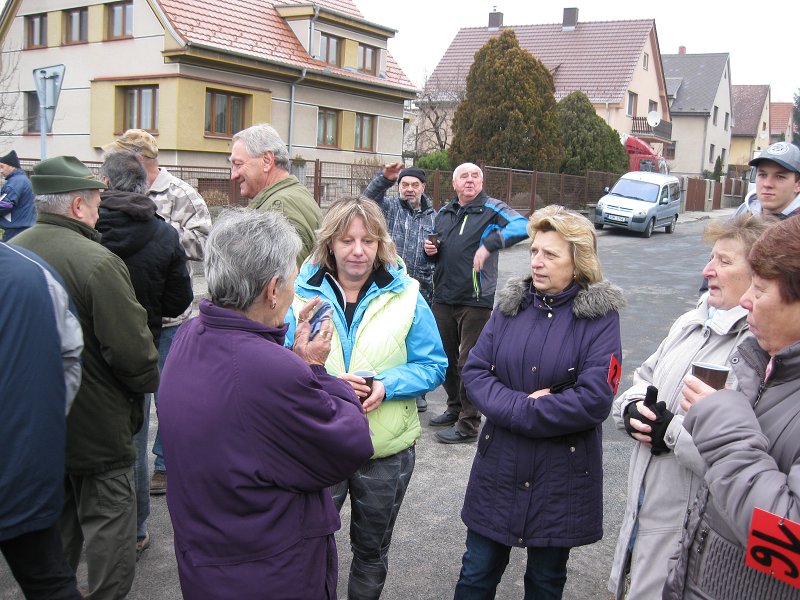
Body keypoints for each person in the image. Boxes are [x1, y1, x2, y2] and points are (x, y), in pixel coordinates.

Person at [158, 208, 373, 599]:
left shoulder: (192, 333)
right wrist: (315, 371)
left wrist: (292, 358)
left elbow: (245, 407)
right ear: (273, 290)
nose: (293, 292)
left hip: (207, 557)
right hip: (267, 570)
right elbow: (351, 442)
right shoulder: (267, 369)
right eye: (291, 280)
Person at [455, 205, 624, 599]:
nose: (537, 261)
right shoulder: (509, 307)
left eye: (550, 254)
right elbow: (475, 372)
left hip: (560, 475)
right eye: (534, 251)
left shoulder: (600, 317)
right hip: (500, 467)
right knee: (476, 575)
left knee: (545, 583)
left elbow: (595, 399)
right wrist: (527, 407)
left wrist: (510, 407)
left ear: (578, 262)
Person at [12, 156, 160, 600]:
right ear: (77, 206)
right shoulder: (97, 261)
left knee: (56, 528)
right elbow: (133, 353)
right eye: (96, 201)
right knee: (111, 528)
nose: (100, 210)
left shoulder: (14, 253)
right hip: (99, 426)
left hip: (35, 424)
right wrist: (147, 383)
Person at [286, 196, 447, 599]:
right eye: (347, 240)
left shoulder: (408, 294)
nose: (358, 251)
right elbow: (275, 361)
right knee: (305, 547)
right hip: (318, 446)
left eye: (368, 240)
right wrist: (317, 376)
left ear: (381, 244)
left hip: (384, 449)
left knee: (371, 552)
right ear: (329, 243)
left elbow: (434, 365)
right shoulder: (298, 294)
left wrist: (387, 384)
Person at [608, 214, 771, 599]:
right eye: (711, 257)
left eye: (724, 261)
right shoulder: (690, 322)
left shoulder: (755, 350)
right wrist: (632, 410)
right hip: (643, 512)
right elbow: (643, 378)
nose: (707, 270)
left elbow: (744, 455)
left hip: (689, 534)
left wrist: (670, 432)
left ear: (759, 276)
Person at [663, 216, 800, 599]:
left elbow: (789, 546)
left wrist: (723, 423)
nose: (745, 300)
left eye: (760, 288)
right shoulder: (764, 363)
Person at [95, 150, 193, 559]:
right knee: (134, 441)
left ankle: (86, 525)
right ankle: (135, 529)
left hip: (89, 352)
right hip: (141, 347)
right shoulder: (164, 234)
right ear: (144, 186)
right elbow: (179, 301)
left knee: (84, 439)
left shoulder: (89, 227)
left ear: (105, 183)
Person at [103, 128, 211, 497]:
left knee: (169, 394)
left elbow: (204, 242)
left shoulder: (180, 193)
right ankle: (130, 465)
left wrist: (159, 232)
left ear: (140, 160)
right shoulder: (111, 188)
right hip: (126, 313)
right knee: (134, 393)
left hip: (168, 317)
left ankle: (164, 463)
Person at [0, 242, 83, 600]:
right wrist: (40, 426)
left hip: (23, 469)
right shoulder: (31, 272)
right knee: (50, 582)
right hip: (23, 468)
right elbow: (70, 358)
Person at [424, 162, 528, 444]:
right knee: (445, 359)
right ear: (454, 184)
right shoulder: (444, 213)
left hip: (476, 298)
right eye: (464, 176)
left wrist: (490, 243)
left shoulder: (492, 208)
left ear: (481, 182)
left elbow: (523, 226)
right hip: (443, 296)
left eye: (475, 176)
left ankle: (469, 423)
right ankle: (454, 408)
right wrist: (430, 250)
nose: (470, 180)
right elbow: (437, 251)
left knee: (469, 361)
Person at [363, 163, 436, 412]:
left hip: (422, 288)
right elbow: (366, 200)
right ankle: (383, 382)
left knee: (417, 341)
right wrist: (384, 179)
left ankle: (418, 392)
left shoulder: (434, 217)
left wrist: (434, 254)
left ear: (423, 187)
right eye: (404, 184)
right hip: (388, 287)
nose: (409, 189)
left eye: (414, 185)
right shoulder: (388, 208)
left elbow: (442, 252)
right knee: (390, 338)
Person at [230, 123, 321, 266]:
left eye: (238, 164)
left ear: (267, 161)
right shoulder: (293, 195)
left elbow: (286, 278)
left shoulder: (277, 210)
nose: (233, 175)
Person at [735, 141, 800, 219]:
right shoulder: (743, 212)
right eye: (762, 175)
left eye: (779, 177)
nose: (767, 184)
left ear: (798, 185)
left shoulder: (796, 224)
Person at [0, 150, 36, 240]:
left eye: (2, 167)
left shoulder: (15, 183)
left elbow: (4, 205)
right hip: (25, 227)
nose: (1, 171)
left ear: (12, 166)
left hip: (16, 230)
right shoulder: (23, 180)